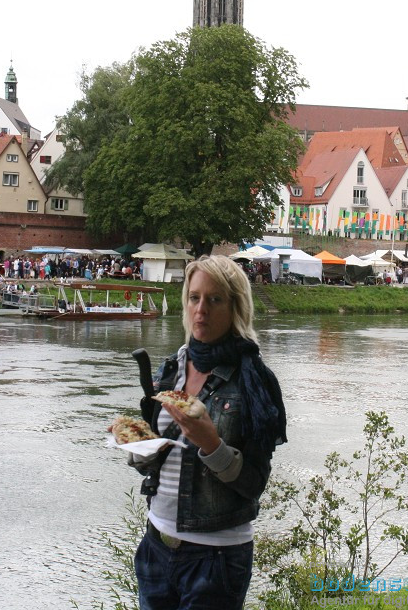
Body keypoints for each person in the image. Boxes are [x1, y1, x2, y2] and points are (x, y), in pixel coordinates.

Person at [130, 255, 287, 610]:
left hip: (216, 558)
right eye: (194, 297)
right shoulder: (172, 368)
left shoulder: (255, 381)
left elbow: (253, 483)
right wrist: (138, 446)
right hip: (156, 546)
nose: (201, 309)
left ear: (236, 307)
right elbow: (151, 462)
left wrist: (211, 444)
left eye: (214, 300)